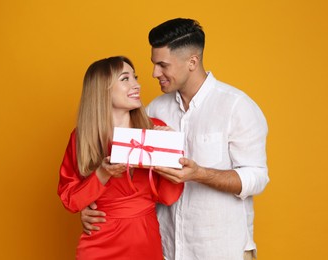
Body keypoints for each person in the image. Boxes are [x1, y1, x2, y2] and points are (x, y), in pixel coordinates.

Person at [81, 18, 269, 260]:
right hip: (167, 249)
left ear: (192, 61)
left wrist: (199, 173)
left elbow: (257, 177)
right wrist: (90, 207)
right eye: (154, 64)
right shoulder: (152, 111)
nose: (154, 73)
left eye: (162, 65)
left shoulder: (236, 106)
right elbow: (128, 179)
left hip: (221, 249)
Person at [58, 56, 184, 260]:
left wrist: (168, 155)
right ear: (102, 89)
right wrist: (102, 173)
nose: (137, 85)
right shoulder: (82, 137)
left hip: (145, 239)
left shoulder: (154, 128)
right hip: (99, 242)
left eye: (135, 77)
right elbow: (71, 200)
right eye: (125, 79)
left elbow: (168, 197)